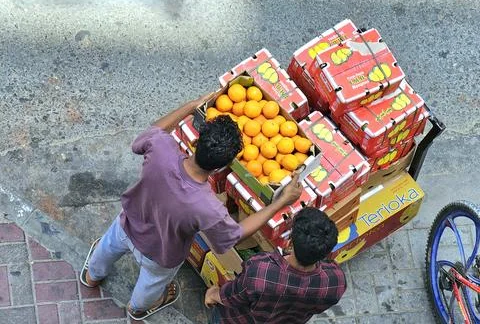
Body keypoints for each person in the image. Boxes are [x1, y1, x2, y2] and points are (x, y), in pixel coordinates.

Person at [79, 93, 303, 321]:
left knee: (106, 249)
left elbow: (153, 131)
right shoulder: (208, 207)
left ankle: (92, 276)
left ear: (195, 141)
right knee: (151, 285)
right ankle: (137, 308)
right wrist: (280, 203)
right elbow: (234, 236)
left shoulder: (161, 148)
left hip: (127, 224)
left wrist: (191, 106)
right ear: (220, 168)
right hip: (161, 255)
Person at [205, 207, 347, 324]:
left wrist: (212, 294)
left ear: (290, 242)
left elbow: (233, 297)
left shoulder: (260, 270)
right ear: (326, 252)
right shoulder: (336, 281)